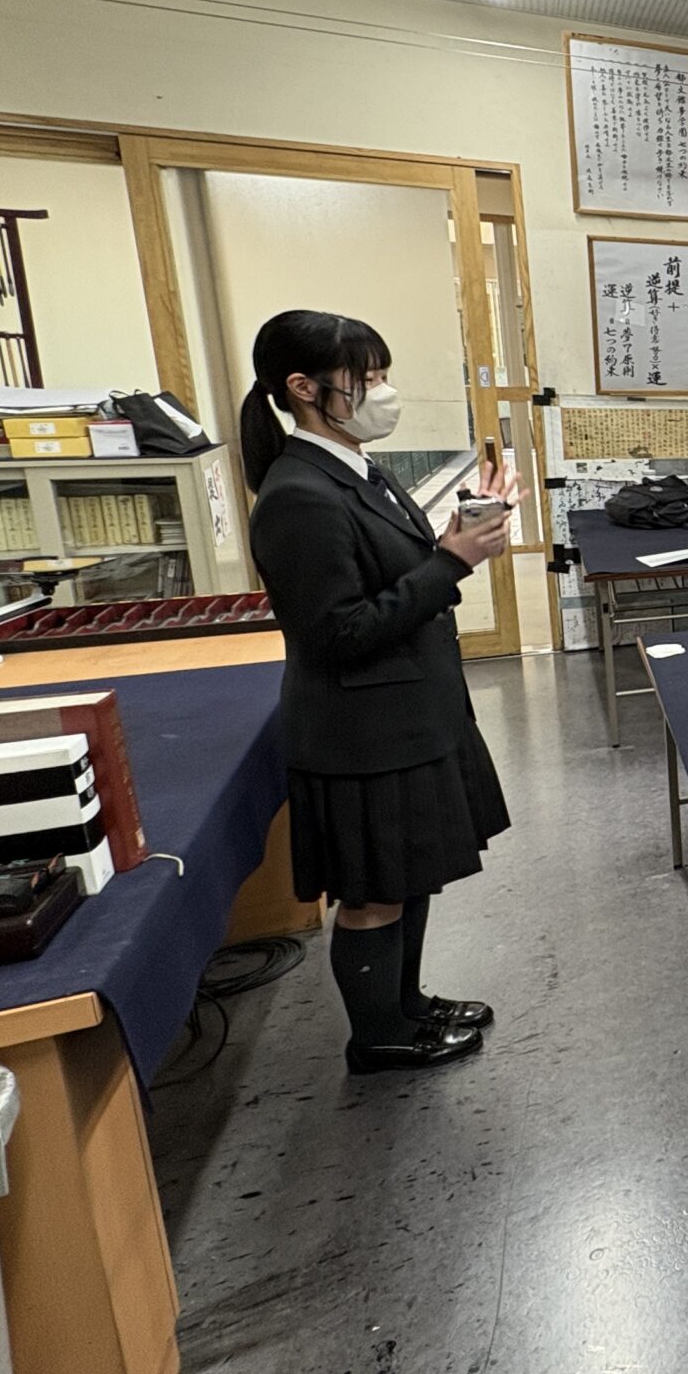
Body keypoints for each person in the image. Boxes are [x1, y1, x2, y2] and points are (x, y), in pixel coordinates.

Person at [241, 310, 513, 1076]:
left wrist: (463, 530)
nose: (383, 392)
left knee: (407, 874)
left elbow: (395, 567)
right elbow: (337, 632)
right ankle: (378, 1036)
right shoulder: (298, 494)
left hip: (409, 712)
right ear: (304, 388)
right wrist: (452, 562)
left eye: (383, 375)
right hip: (361, 729)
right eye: (366, 378)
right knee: (372, 892)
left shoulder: (358, 467)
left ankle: (406, 1006)